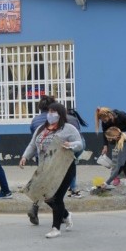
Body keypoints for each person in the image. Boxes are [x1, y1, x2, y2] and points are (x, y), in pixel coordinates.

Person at [19, 103, 83, 239]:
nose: (50, 114)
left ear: (60, 114)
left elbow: (80, 144)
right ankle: (65, 215)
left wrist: (70, 145)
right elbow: (32, 144)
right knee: (46, 196)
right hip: (46, 168)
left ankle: (56, 228)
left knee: (57, 197)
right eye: (49, 111)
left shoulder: (68, 128)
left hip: (63, 168)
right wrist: (25, 157)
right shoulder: (41, 129)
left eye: (54, 111)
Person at [26, 95, 56, 224]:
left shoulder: (35, 121)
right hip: (55, 156)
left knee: (43, 183)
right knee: (54, 186)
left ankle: (35, 207)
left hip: (41, 157)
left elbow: (34, 140)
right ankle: (62, 214)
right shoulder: (57, 121)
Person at [66, 107, 88, 198]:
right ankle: (72, 187)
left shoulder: (65, 119)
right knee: (72, 165)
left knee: (69, 166)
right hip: (82, 144)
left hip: (73, 144)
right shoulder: (74, 119)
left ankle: (73, 188)